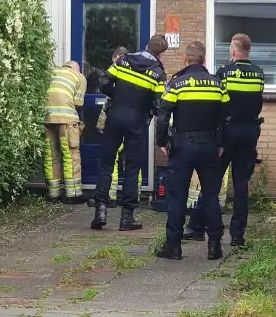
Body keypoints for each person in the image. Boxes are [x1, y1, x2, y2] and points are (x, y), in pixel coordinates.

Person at [184, 34, 264, 247]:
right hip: (249, 133)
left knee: (212, 182)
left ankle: (197, 227)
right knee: (241, 185)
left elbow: (219, 104)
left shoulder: (224, 73)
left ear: (234, 50)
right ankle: (237, 235)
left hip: (227, 134)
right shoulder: (259, 74)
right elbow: (258, 103)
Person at [154, 41, 229, 261]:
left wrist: (162, 142)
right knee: (211, 196)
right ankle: (214, 246)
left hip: (182, 145)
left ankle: (174, 247)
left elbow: (163, 115)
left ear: (186, 60)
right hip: (209, 146)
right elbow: (226, 118)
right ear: (204, 60)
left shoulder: (177, 84)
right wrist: (221, 143)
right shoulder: (218, 85)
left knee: (177, 197)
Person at [92, 35, 168, 231]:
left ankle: (100, 210)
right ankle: (127, 218)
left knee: (106, 163)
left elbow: (104, 80)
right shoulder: (158, 73)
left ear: (145, 46)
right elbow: (160, 105)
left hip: (115, 117)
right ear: (161, 53)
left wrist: (116, 96)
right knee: (133, 168)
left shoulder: (124, 60)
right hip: (137, 123)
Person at [90, 47, 128, 209]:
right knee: (131, 161)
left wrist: (100, 124)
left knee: (110, 159)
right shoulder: (135, 73)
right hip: (133, 123)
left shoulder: (115, 74)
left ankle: (108, 196)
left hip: (115, 122)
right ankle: (133, 195)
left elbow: (108, 102)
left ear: (116, 57)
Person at [44, 61, 87, 203]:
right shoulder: (79, 76)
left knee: (51, 155)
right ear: (77, 68)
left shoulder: (51, 73)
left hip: (47, 119)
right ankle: (72, 194)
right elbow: (78, 103)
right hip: (66, 120)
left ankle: (53, 194)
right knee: (71, 154)